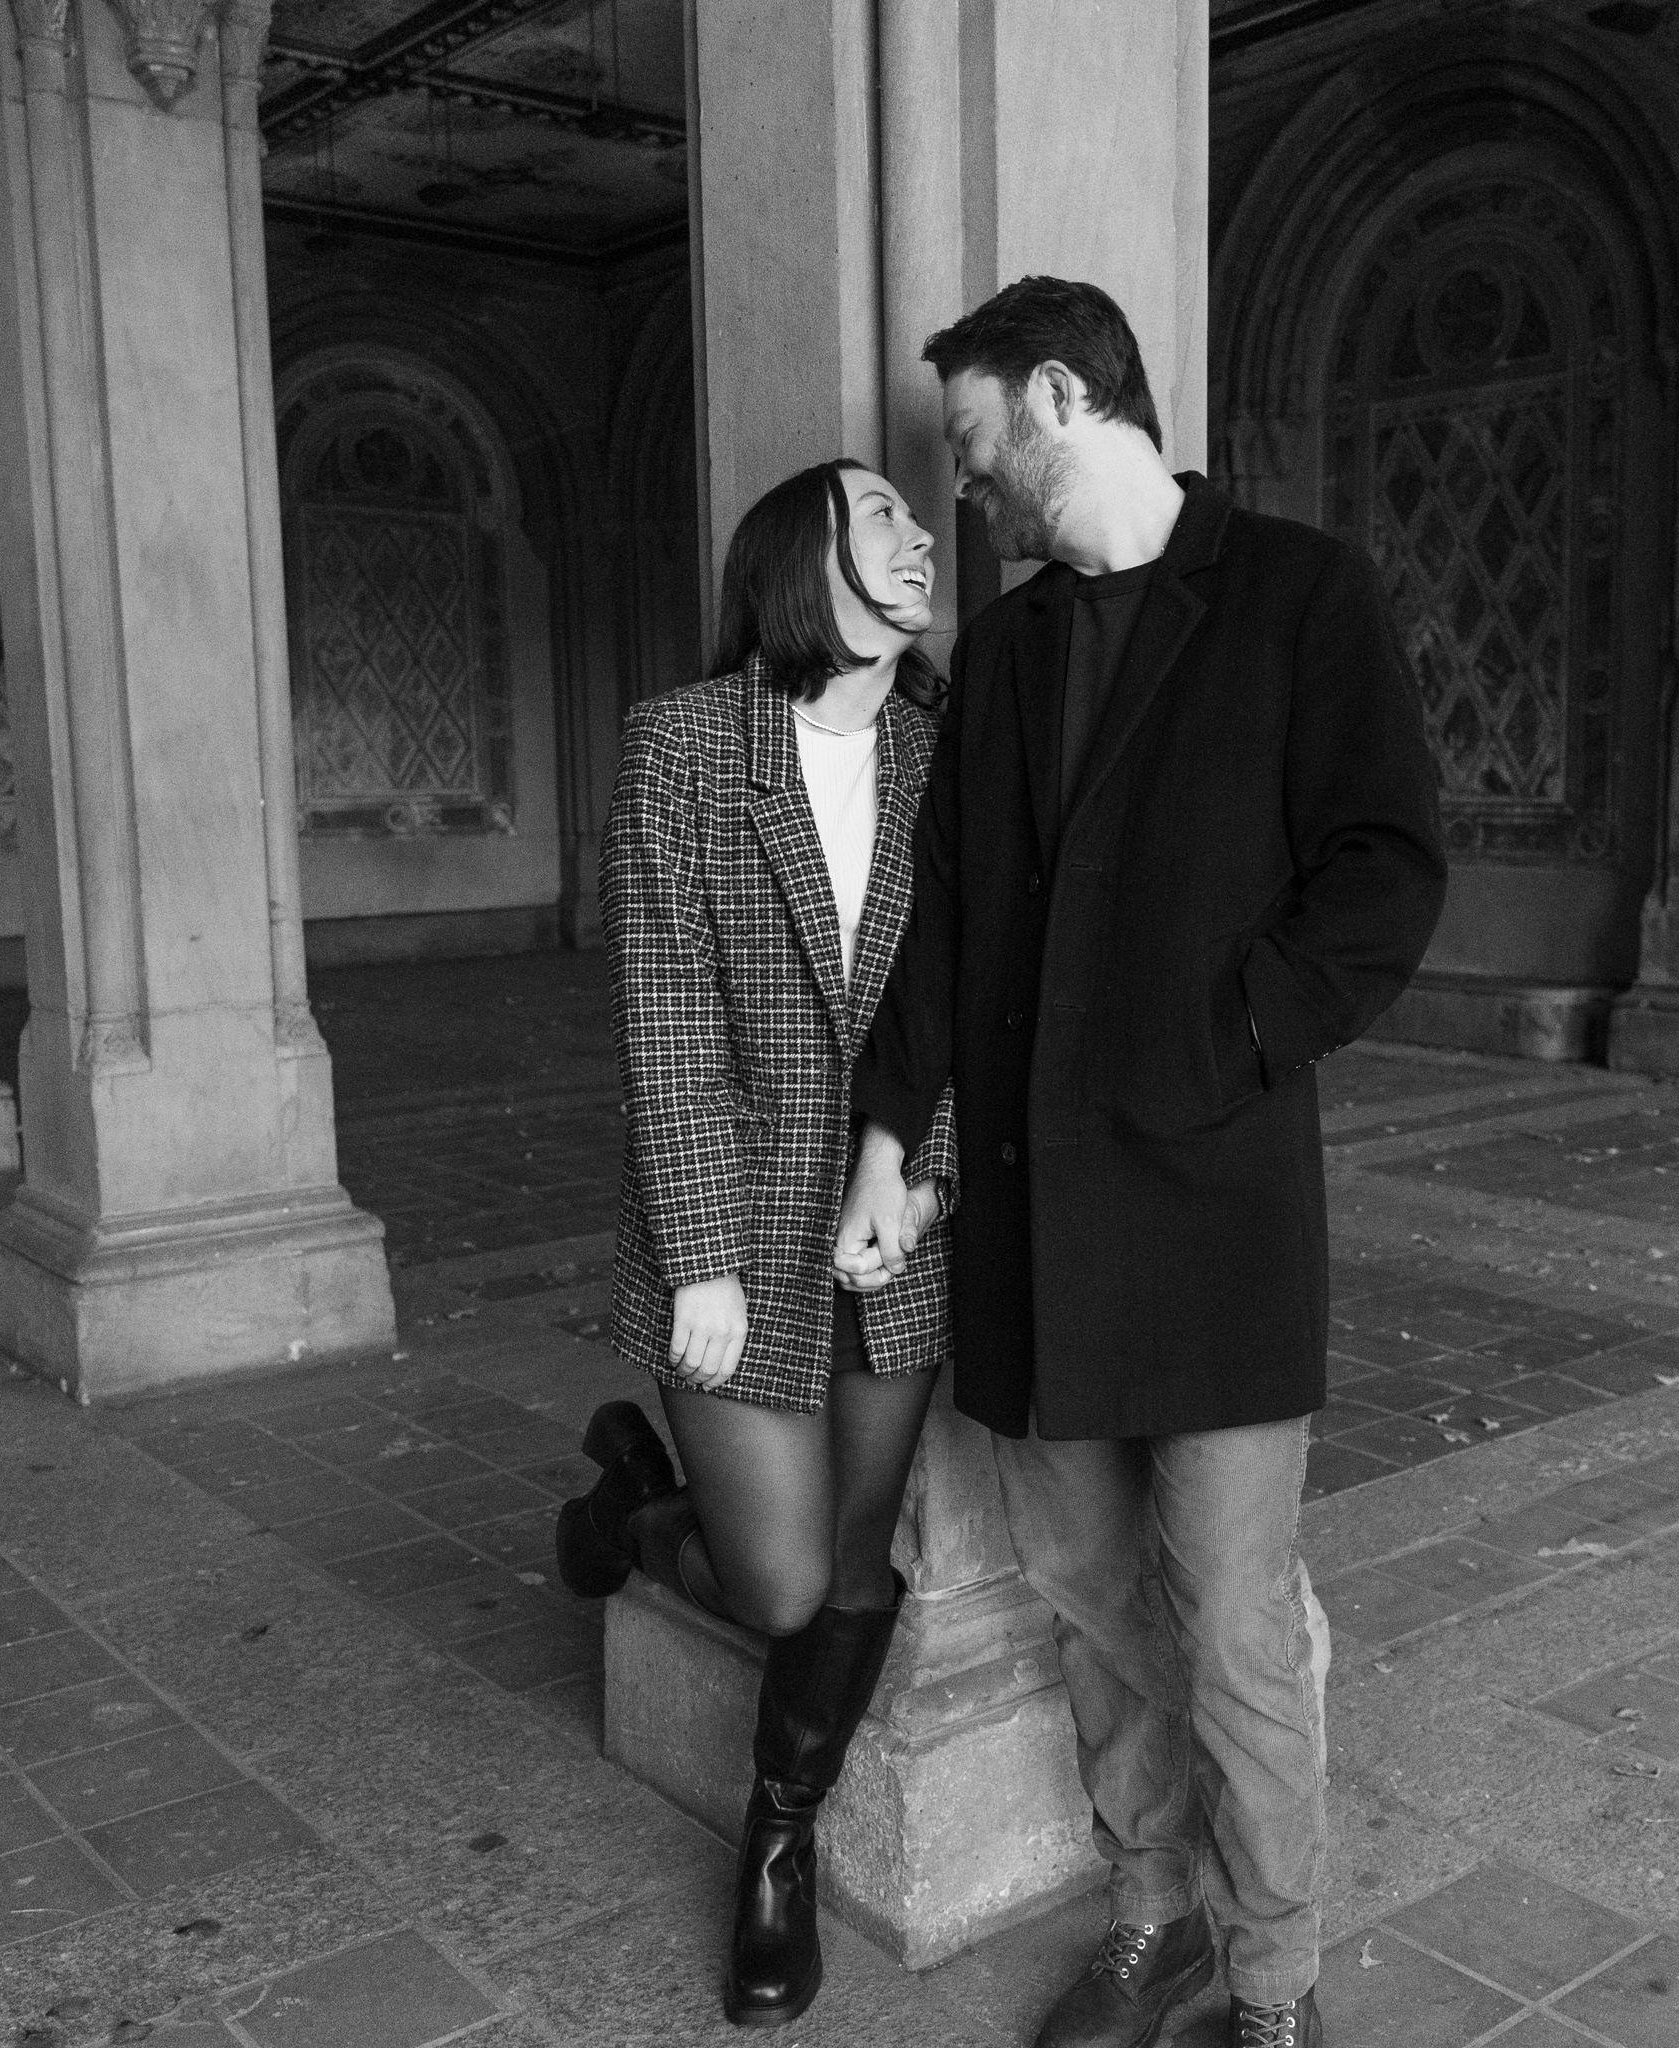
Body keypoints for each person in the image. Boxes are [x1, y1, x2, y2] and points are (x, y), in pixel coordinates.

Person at [834, 278, 1447, 2048]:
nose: (962, 487)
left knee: (1236, 1629)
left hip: (1217, 1214)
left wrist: (1223, 1038)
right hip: (1033, 1224)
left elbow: (1387, 872)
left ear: (1056, 398)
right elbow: (947, 917)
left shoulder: (1300, 595)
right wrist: (888, 1135)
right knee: (1095, 1612)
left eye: (970, 447)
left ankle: (1275, 1986)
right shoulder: (1010, 652)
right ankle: (1153, 1919)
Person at [557, 457, 957, 2030]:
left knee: (853, 1565)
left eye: (919, 518)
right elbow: (664, 1018)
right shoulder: (685, 745)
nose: (919, 537)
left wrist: (923, 1196)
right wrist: (705, 1257)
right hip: (730, 1223)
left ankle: (777, 1847)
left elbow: (974, 1013)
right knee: (779, 1586)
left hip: (891, 1234)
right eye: (883, 516)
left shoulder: (945, 754)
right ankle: (636, 1511)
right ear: (805, 559)